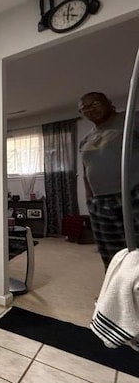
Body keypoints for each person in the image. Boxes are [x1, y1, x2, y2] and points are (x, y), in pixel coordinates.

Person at [78, 91, 139, 268]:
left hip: (133, 194)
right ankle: (114, 291)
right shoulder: (85, 140)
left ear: (108, 102)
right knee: (111, 253)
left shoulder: (130, 120)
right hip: (100, 201)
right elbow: (85, 171)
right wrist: (89, 198)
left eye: (94, 104)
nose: (90, 109)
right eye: (85, 108)